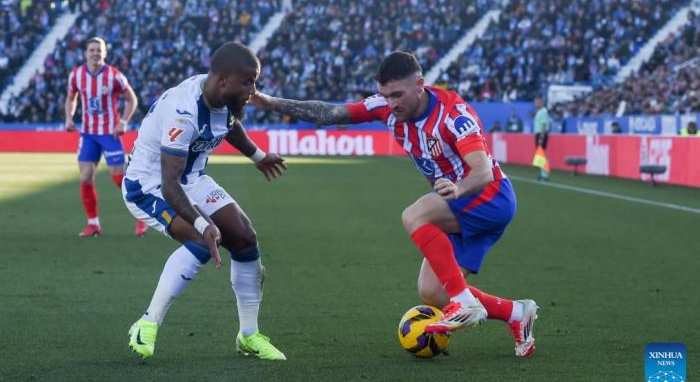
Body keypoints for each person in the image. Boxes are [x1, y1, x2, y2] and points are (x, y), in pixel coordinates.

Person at [252, 51, 539, 357]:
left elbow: (482, 171)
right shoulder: (384, 107)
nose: (391, 103)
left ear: (420, 85)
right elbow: (330, 114)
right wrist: (270, 102)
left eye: (398, 94)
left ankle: (465, 303)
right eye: (386, 95)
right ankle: (516, 312)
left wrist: (458, 187)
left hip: (487, 198)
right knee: (432, 291)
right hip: (459, 203)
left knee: (415, 215)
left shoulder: (454, 115)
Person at [122, 42, 288, 360]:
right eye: (248, 81)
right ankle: (146, 323)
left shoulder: (219, 92)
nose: (252, 90)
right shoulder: (183, 112)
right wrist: (202, 222)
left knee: (245, 239)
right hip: (149, 185)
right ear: (223, 80)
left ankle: (249, 335)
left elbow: (228, 124)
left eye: (254, 81)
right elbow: (170, 184)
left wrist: (258, 156)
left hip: (192, 179)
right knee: (201, 240)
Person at [64, 37, 148, 237]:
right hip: (88, 134)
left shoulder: (114, 76)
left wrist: (124, 122)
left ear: (105, 53)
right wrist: (69, 117)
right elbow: (71, 97)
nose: (95, 53)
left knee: (119, 179)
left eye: (99, 50)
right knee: (85, 177)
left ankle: (143, 215)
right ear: (85, 53)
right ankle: (93, 224)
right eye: (92, 50)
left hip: (109, 133)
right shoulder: (76, 75)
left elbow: (131, 99)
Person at [533, 97, 551, 181]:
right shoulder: (539, 112)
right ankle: (542, 174)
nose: (536, 104)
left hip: (541, 134)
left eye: (537, 102)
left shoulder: (543, 111)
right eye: (535, 102)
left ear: (541, 103)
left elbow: (544, 125)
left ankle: (545, 175)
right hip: (538, 134)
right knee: (540, 155)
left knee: (542, 155)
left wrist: (542, 137)